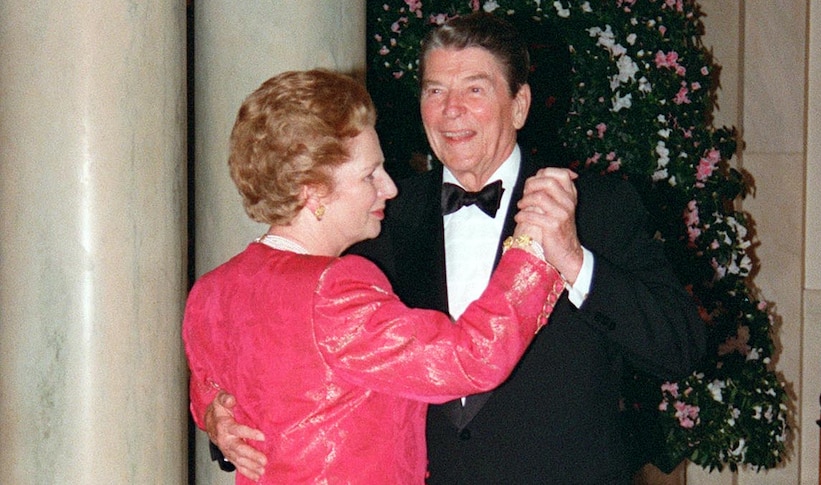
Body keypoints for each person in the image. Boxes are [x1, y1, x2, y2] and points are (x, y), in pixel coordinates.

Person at [208, 13, 706, 484]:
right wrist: (220, 416)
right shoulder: (373, 218)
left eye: (475, 89)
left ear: (519, 105)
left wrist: (575, 262)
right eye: (435, 90)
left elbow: (680, 349)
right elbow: (281, 342)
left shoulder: (596, 207)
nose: (451, 110)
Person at [182, 68, 571, 484]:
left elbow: (209, 388)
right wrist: (532, 246)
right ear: (311, 189)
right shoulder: (332, 290)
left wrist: (211, 414)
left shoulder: (212, 290)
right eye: (370, 174)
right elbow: (468, 359)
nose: (389, 187)